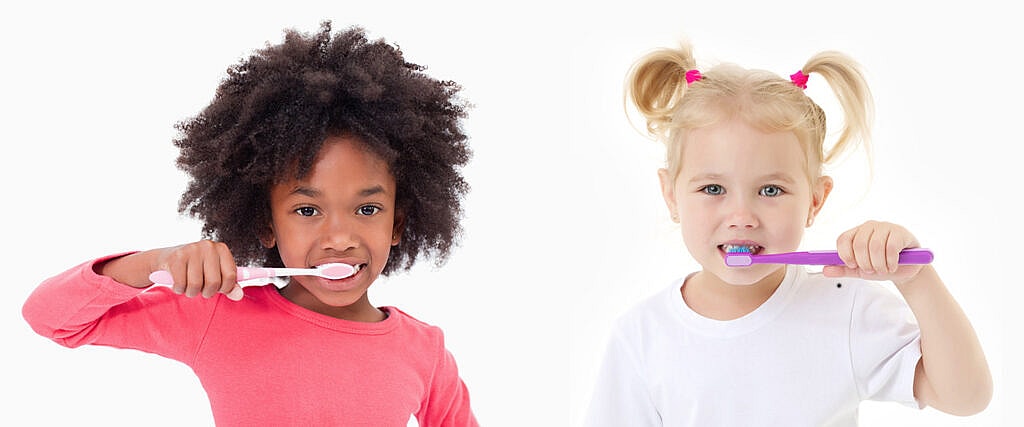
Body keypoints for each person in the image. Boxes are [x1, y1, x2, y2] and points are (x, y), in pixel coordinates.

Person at [23, 21, 477, 426]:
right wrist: (156, 262)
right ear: (266, 224)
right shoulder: (216, 313)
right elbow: (51, 318)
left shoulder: (425, 350)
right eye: (306, 210)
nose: (340, 238)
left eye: (367, 210)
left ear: (397, 225)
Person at [584, 42, 992, 426]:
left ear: (815, 201)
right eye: (713, 189)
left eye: (770, 190)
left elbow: (965, 396)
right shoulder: (641, 337)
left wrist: (917, 281)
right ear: (671, 195)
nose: (741, 216)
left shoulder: (845, 310)